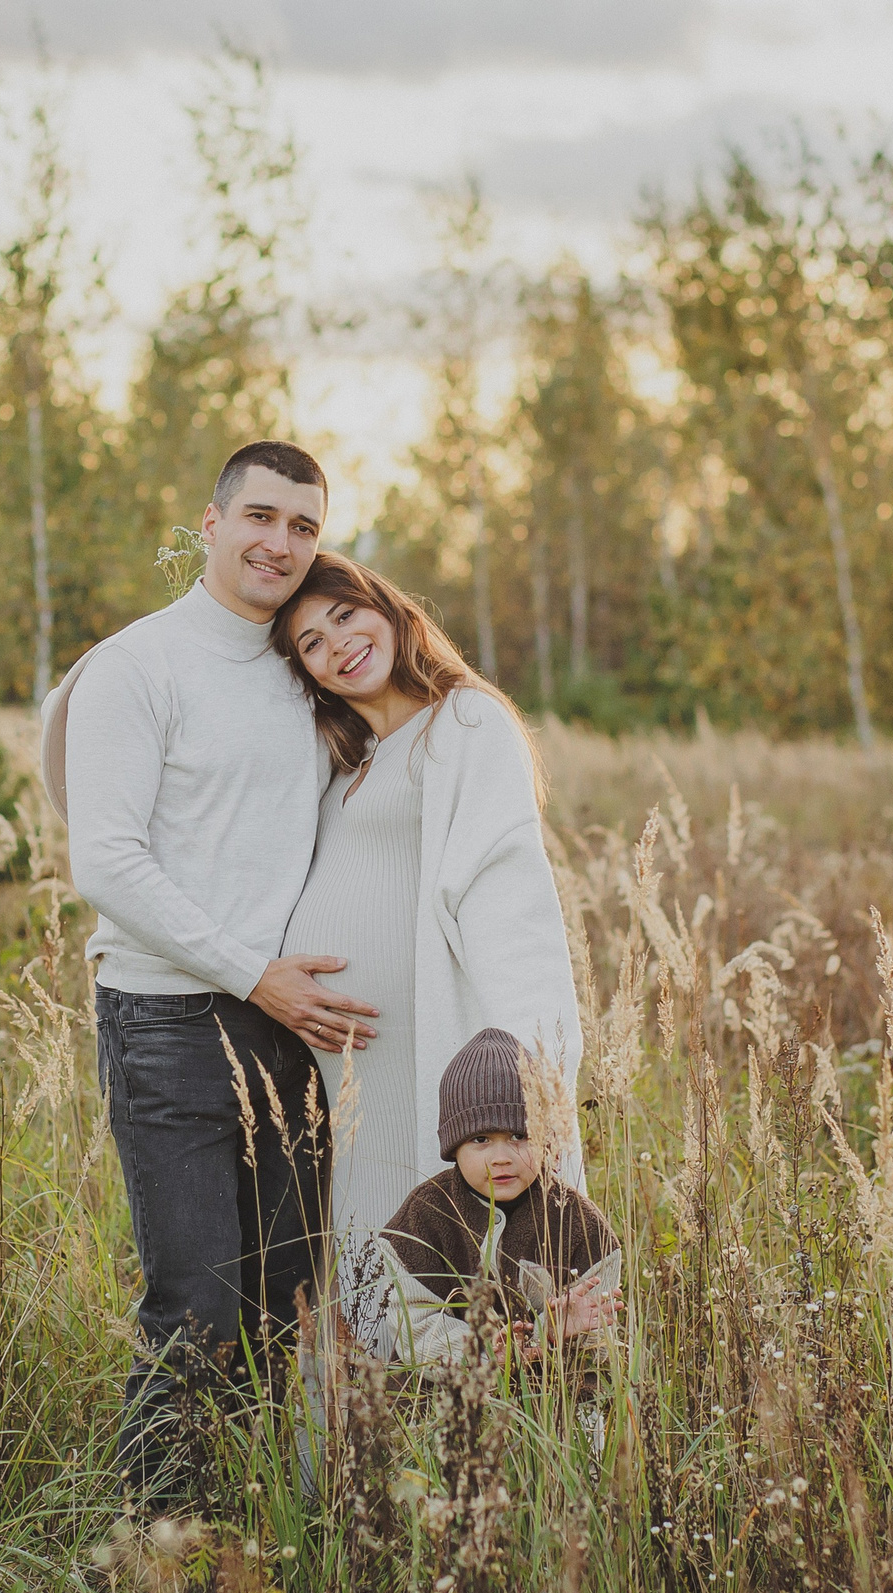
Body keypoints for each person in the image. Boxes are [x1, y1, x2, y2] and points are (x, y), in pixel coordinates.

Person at [40, 440, 380, 1505]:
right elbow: (106, 859)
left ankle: (243, 1532)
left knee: (284, 1295)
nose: (280, 543)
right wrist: (252, 974)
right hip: (168, 1023)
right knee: (194, 1304)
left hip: (290, 1028)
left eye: (304, 526)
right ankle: (159, 1555)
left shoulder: (301, 667)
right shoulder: (136, 667)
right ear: (211, 522)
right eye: (261, 517)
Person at [269, 551, 583, 1356]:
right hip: (353, 1082)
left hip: (429, 1067)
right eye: (310, 642)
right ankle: (372, 1472)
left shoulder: (463, 723)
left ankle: (475, 1469)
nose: (337, 644)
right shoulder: (345, 764)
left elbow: (510, 903)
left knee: (449, 1285)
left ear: (391, 609)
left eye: (346, 615)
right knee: (374, 1290)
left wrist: (528, 1081)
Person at [375, 1028, 621, 1382]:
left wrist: (548, 1334)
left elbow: (597, 1348)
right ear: (453, 1147)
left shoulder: (580, 1225)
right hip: (443, 1412)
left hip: (548, 1411)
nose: (501, 1158)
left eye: (520, 1137)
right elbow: (415, 1327)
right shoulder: (423, 1217)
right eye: (481, 1139)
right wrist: (487, 1351)